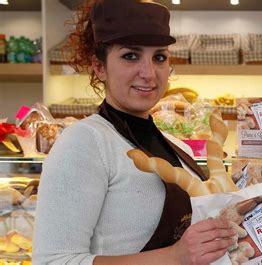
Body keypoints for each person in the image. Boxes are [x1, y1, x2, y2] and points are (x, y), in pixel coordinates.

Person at [32, 1, 235, 264]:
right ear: (99, 67)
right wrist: (175, 256)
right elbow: (52, 261)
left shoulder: (177, 147)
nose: (149, 73)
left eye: (159, 57)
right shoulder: (85, 142)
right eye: (130, 56)